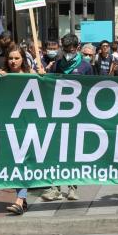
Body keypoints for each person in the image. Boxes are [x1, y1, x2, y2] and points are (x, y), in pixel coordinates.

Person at [43, 33, 92, 201]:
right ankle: (55, 187)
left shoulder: (85, 67)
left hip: (77, 116)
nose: (67, 53)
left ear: (77, 48)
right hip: (58, 114)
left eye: (70, 50)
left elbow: (91, 90)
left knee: (73, 151)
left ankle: (72, 187)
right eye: (65, 50)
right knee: (56, 151)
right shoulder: (57, 65)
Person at [0, 45, 39, 214]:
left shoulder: (30, 75)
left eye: (17, 58)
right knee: (13, 163)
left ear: (23, 59)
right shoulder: (1, 75)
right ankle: (23, 199)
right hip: (7, 127)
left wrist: (41, 77)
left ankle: (20, 200)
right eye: (10, 58)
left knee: (22, 162)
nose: (13, 62)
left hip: (27, 126)